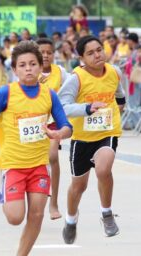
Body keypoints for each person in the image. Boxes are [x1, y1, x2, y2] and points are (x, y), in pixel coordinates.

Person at [0, 41, 72, 256]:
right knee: (15, 217)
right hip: (13, 166)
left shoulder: (49, 95)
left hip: (39, 166)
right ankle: (6, 193)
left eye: (32, 64)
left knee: (37, 214)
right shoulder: (6, 93)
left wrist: (60, 133)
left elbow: (66, 125)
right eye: (22, 65)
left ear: (41, 67)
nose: (28, 69)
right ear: (15, 70)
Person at [58, 35, 126, 244]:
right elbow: (62, 106)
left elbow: (119, 95)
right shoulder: (76, 78)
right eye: (91, 53)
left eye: (99, 49)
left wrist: (115, 113)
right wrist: (87, 108)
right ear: (81, 58)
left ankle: (106, 213)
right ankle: (71, 220)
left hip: (107, 133)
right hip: (82, 139)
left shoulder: (114, 72)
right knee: (79, 186)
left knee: (103, 169)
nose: (97, 55)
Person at [36, 38, 70, 220]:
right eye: (42, 52)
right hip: (34, 122)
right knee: (37, 162)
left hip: (53, 122)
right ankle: (36, 200)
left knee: (52, 157)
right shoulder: (30, 71)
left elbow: (71, 91)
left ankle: (54, 202)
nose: (46, 55)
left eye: (49, 52)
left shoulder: (61, 73)